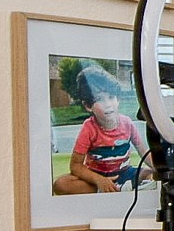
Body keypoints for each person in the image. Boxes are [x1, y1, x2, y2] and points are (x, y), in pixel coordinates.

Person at [54, 65, 147, 194]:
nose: (108, 104)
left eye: (111, 97)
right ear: (88, 106)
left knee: (152, 174)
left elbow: (145, 153)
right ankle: (111, 188)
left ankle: (121, 187)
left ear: (118, 99)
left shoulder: (127, 123)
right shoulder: (89, 128)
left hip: (126, 173)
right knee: (61, 184)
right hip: (96, 177)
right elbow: (75, 165)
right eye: (99, 99)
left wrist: (162, 169)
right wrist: (99, 180)